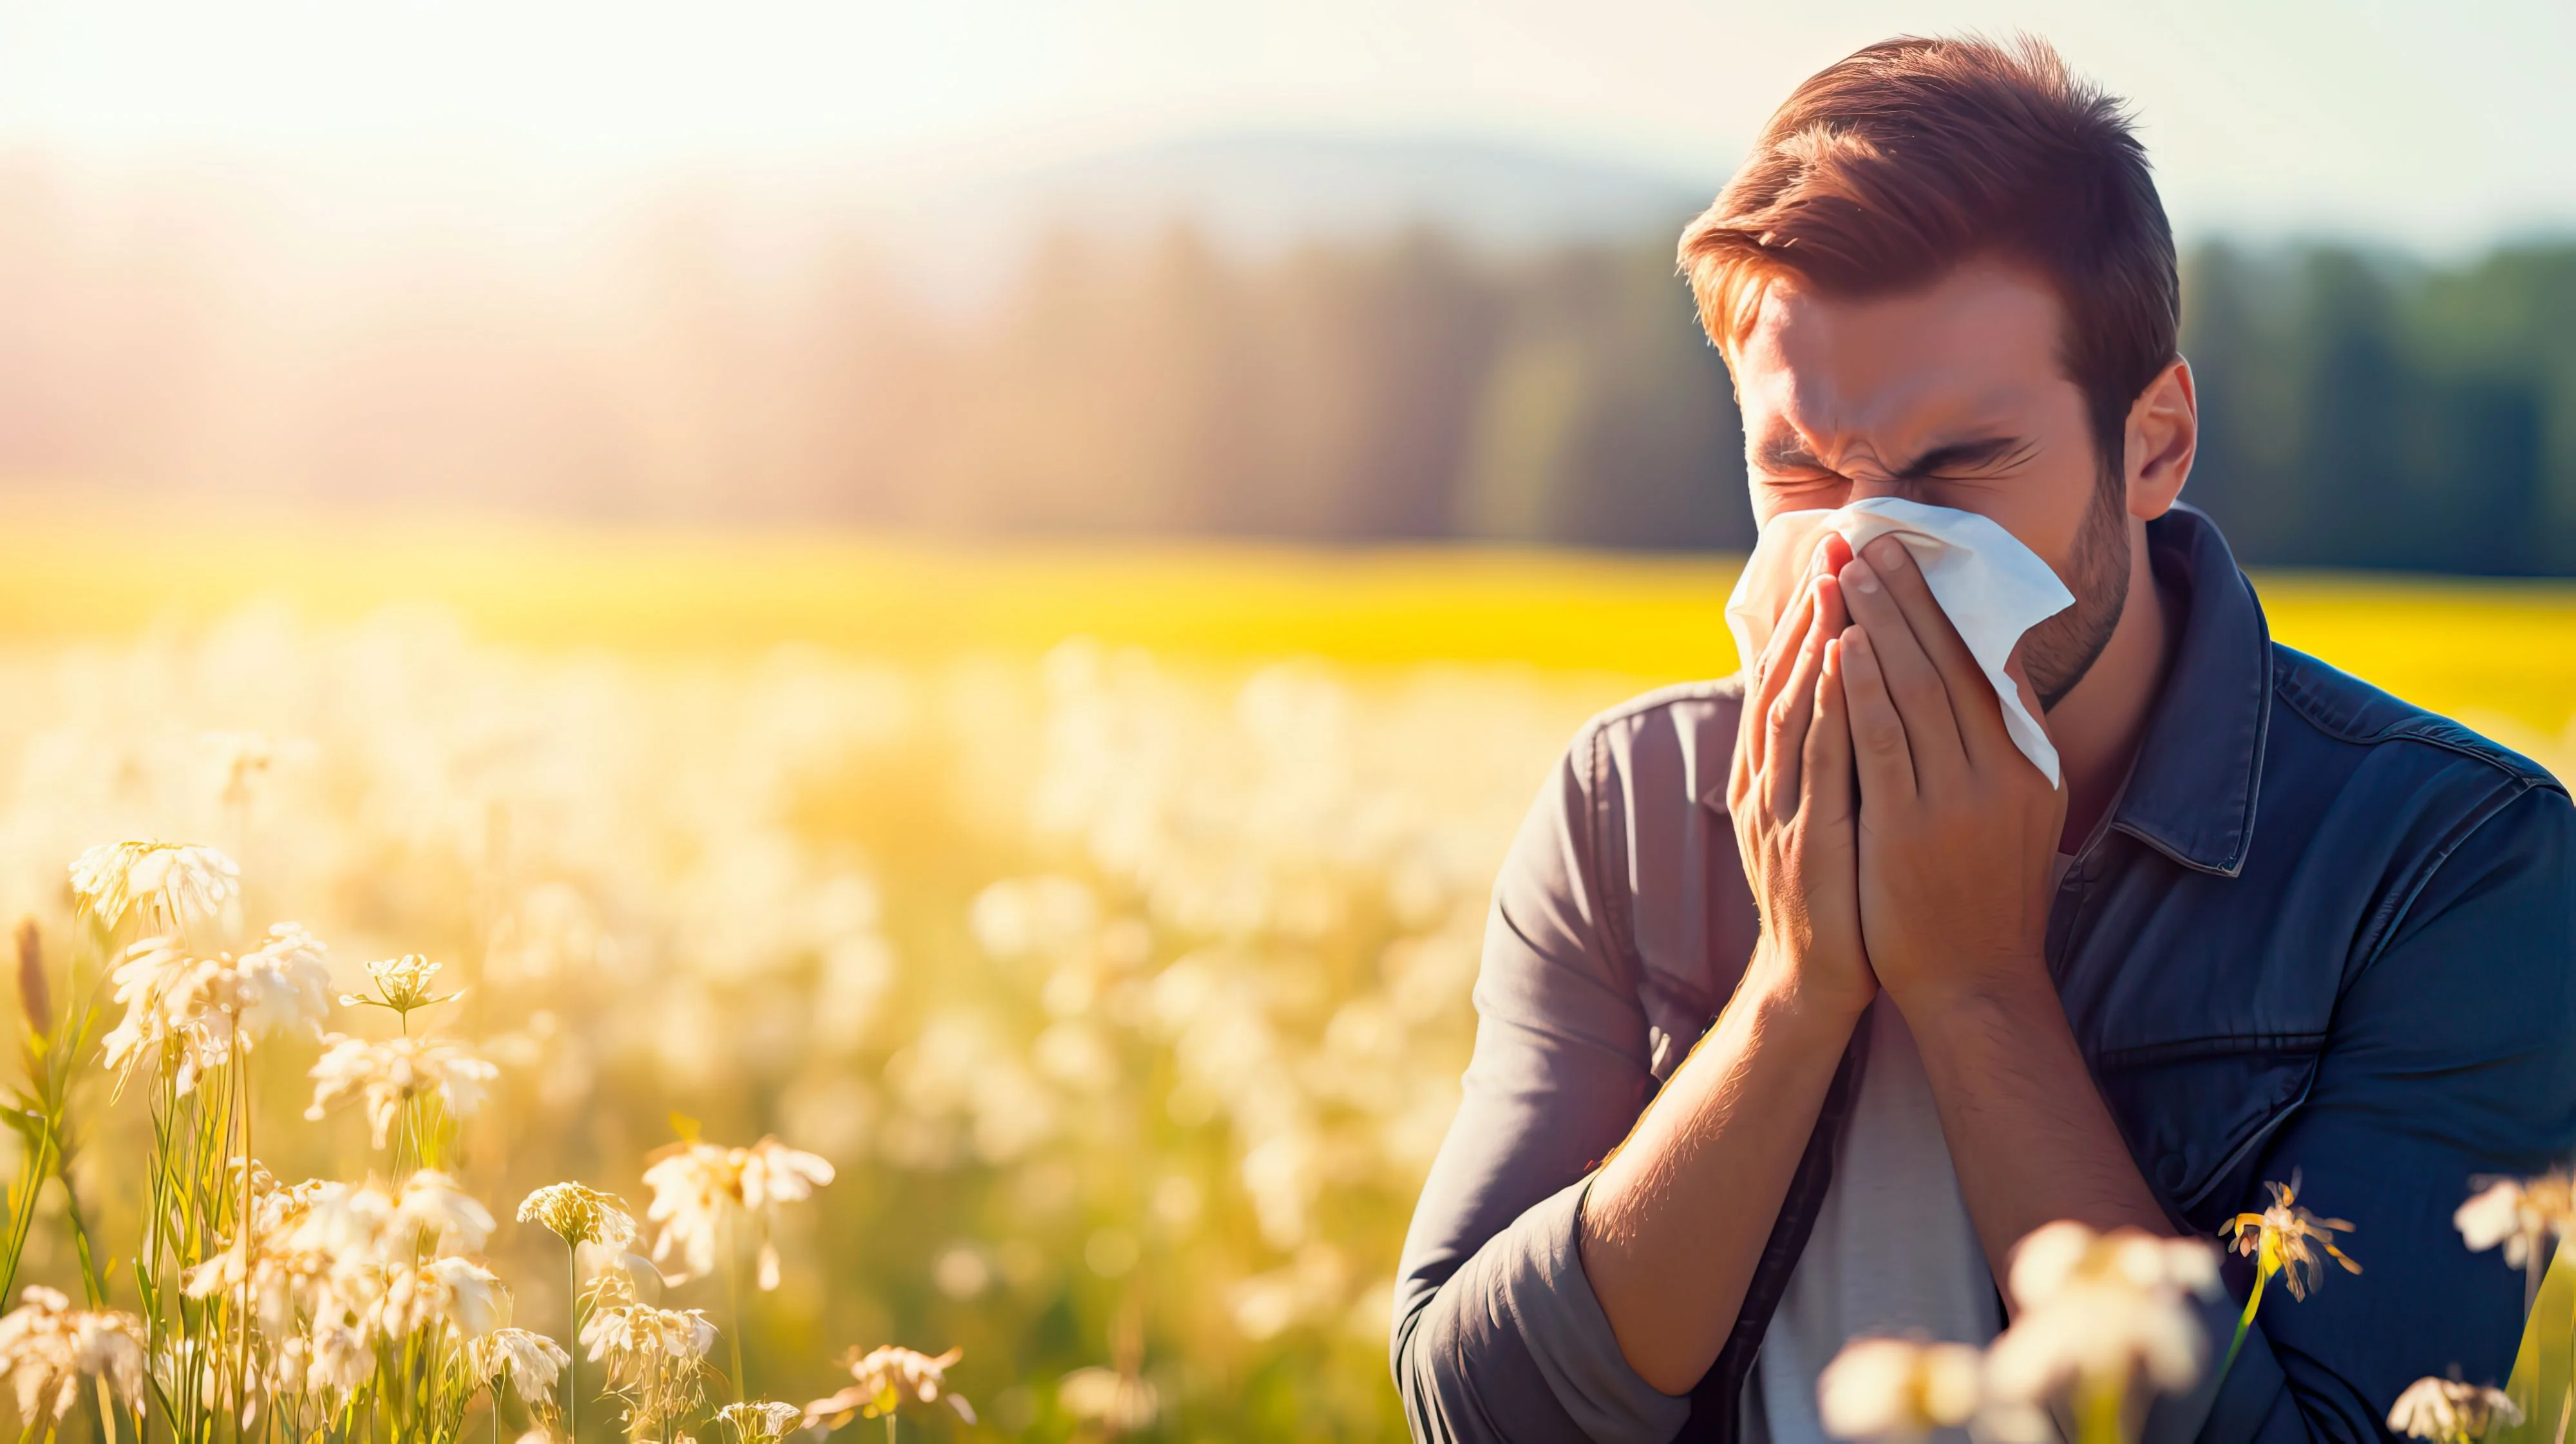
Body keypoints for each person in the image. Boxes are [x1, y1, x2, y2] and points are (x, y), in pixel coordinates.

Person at [1390, 33, 2576, 1444]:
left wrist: (1977, 985)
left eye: (1954, 472)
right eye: (1800, 472)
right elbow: (1474, 1409)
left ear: (2152, 444)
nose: (1863, 545)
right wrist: (1788, 989)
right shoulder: (1630, 803)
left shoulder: (2443, 861)